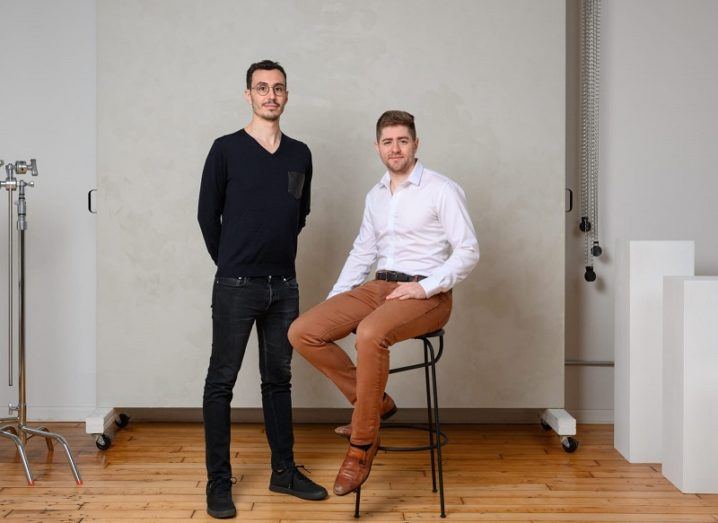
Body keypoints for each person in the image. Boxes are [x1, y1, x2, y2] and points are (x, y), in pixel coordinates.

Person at [288, 110, 480, 496]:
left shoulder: (441, 189)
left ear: (416, 144)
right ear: (377, 147)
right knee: (303, 331)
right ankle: (375, 404)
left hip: (428, 292)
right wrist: (336, 301)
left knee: (371, 334)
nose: (395, 148)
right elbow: (364, 251)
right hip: (380, 285)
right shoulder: (375, 195)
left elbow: (468, 251)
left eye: (403, 140)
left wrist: (425, 288)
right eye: (388, 142)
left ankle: (362, 444)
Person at [198, 59, 327, 519]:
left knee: (278, 382)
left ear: (287, 96)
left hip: (284, 286)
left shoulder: (301, 154)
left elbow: (301, 215)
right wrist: (232, 262)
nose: (270, 95)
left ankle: (283, 472)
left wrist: (270, 262)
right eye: (261, 88)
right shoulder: (225, 150)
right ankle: (218, 481)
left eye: (278, 88)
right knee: (221, 383)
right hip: (235, 285)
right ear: (248, 95)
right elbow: (206, 217)